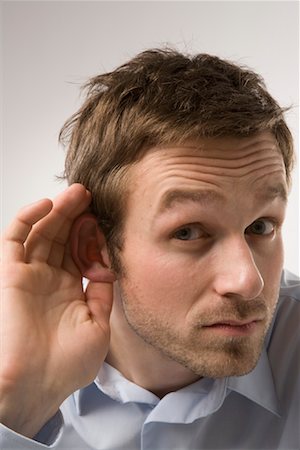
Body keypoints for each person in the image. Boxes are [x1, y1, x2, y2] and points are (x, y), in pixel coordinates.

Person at [0, 48, 299, 450]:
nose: (247, 281)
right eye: (189, 232)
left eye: (261, 227)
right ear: (98, 249)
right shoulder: (12, 362)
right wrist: (14, 411)